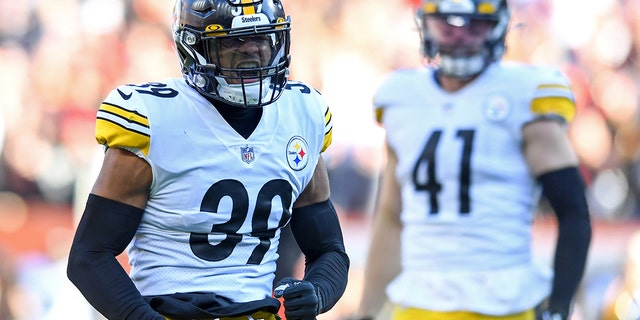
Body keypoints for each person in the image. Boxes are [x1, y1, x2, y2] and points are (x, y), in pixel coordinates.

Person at [66, 0, 350, 319]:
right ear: (194, 48)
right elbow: (88, 256)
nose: (251, 51)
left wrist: (318, 291)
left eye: (261, 38)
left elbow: (329, 251)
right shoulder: (155, 119)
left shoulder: (302, 115)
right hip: (171, 310)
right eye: (233, 41)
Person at [354, 0, 591, 319]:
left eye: (474, 25)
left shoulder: (525, 94)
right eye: (448, 24)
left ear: (498, 27)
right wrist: (368, 311)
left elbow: (574, 211)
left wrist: (559, 306)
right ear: (427, 24)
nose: (459, 36)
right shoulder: (401, 96)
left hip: (504, 300)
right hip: (419, 299)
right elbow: (391, 216)